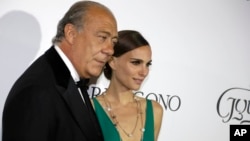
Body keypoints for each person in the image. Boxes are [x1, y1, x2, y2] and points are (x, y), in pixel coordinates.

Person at [2, 1, 118, 141]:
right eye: (102, 37)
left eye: (113, 42)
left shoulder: (70, 80)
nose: (110, 50)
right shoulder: (36, 91)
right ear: (71, 34)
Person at [92, 30, 163, 141]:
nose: (144, 72)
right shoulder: (91, 109)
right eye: (136, 62)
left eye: (148, 64)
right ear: (112, 62)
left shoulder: (154, 110)